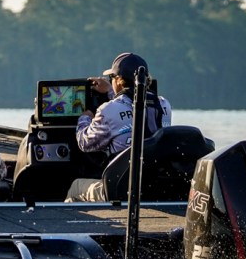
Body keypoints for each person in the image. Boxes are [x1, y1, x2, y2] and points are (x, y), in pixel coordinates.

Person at [66, 52, 172, 202]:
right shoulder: (164, 105)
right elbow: (133, 104)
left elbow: (85, 143)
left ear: (119, 81)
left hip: (119, 189)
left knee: (75, 187)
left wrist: (84, 118)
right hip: (152, 187)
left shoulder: (107, 110)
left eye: (112, 77)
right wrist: (111, 90)